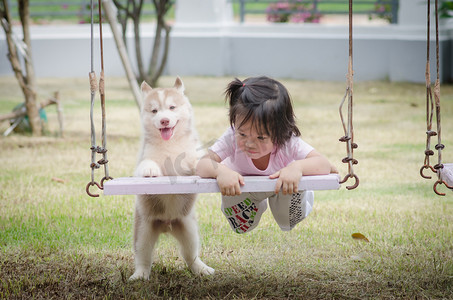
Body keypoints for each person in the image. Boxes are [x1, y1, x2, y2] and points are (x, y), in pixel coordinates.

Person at [196, 76, 335, 234]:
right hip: (243, 188)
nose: (249, 143)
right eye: (242, 134)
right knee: (242, 227)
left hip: (283, 187)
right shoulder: (231, 137)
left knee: (286, 221)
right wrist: (220, 171)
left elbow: (323, 163)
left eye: (261, 137)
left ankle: (299, 198)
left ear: (279, 132)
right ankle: (256, 204)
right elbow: (202, 165)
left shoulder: (287, 141)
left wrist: (297, 167)